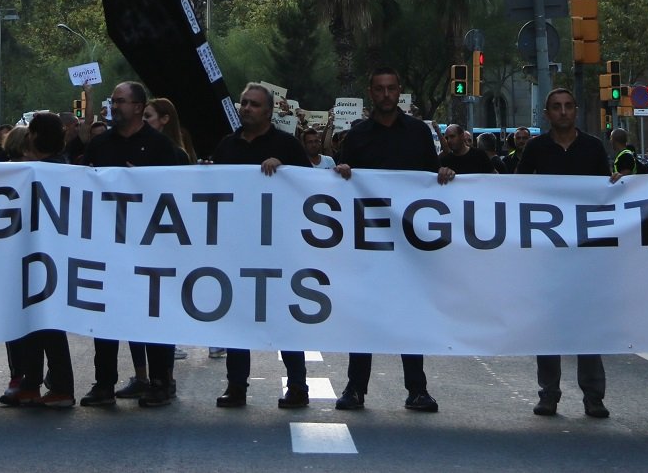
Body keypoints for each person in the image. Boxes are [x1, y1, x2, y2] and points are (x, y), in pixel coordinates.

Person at [332, 66, 455, 413]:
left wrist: (443, 175)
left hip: (408, 242)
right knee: (364, 314)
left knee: (409, 313)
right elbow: (342, 184)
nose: (386, 95)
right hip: (368, 243)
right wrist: (340, 174)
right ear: (371, 93)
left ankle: (417, 389)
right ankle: (355, 388)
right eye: (379, 89)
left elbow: (431, 179)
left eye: (391, 89)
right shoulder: (356, 136)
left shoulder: (417, 133)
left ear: (398, 91)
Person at [79, 82, 189, 410]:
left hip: (150, 246)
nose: (114, 106)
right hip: (109, 244)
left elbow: (178, 193)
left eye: (121, 101)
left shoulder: (160, 147)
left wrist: (145, 183)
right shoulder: (101, 144)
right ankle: (104, 382)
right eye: (112, 101)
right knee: (106, 314)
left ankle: (159, 381)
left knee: (152, 313)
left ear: (139, 107)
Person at [210, 83, 313, 410]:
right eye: (244, 103)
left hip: (278, 248)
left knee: (284, 318)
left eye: (254, 105)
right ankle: (236, 386)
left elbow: (310, 187)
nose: (247, 109)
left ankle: (297, 385)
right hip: (238, 247)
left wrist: (285, 171)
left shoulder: (287, 146)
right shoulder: (226, 145)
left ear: (268, 111)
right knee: (238, 318)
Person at [518, 87, 611, 419]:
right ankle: (549, 393)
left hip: (585, 252)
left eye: (568, 106)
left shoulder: (594, 148)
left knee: (587, 324)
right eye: (556, 107)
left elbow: (606, 195)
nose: (562, 112)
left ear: (576, 110)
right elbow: (515, 192)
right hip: (548, 253)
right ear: (547, 114)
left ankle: (593, 396)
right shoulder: (535, 149)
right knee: (550, 325)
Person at [4, 112, 77, 409]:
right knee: (33, 321)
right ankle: (31, 383)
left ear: (34, 136)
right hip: (36, 254)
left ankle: (61, 387)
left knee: (48, 323)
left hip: (48, 255)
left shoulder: (49, 170)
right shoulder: (54, 168)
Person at [143, 96, 196, 161]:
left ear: (165, 119)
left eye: (147, 116)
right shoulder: (142, 148)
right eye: (142, 116)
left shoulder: (177, 154)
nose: (142, 120)